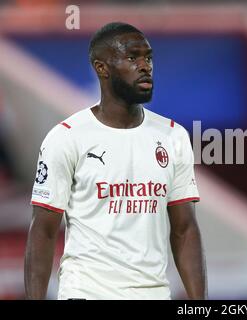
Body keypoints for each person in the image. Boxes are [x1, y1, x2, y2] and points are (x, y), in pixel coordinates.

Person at [24, 22, 207, 300]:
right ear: (102, 68)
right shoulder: (67, 138)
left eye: (148, 57)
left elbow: (185, 229)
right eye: (132, 58)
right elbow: (43, 231)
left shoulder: (173, 136)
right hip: (87, 292)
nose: (145, 66)